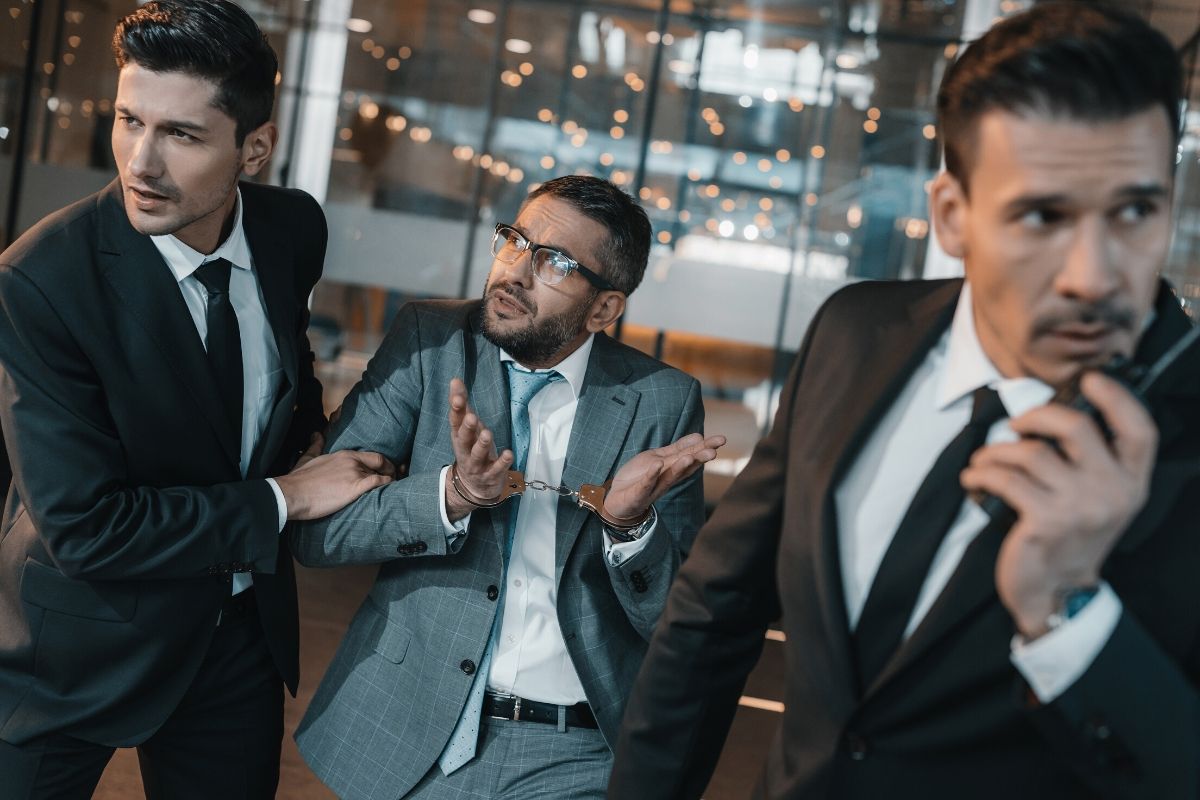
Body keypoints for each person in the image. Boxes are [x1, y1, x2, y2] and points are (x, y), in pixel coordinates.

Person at [609, 4, 1200, 798]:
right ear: (952, 216)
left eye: (1135, 210)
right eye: (1042, 215)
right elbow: (712, 615)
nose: (1094, 276)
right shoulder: (856, 332)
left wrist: (1071, 618)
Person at [0, 1, 393, 796]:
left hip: (233, 638)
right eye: (127, 120)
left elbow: (281, 374)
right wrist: (286, 497)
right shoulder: (42, 282)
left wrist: (311, 437)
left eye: (180, 134)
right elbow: (88, 529)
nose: (140, 161)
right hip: (74, 645)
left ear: (255, 148)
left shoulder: (292, 232)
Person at [291, 174, 725, 799]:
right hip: (415, 728)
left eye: (554, 263)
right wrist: (454, 496)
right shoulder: (429, 342)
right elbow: (318, 533)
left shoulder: (660, 401)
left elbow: (674, 621)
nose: (517, 272)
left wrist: (630, 527)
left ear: (603, 309)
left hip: (576, 751)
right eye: (515, 241)